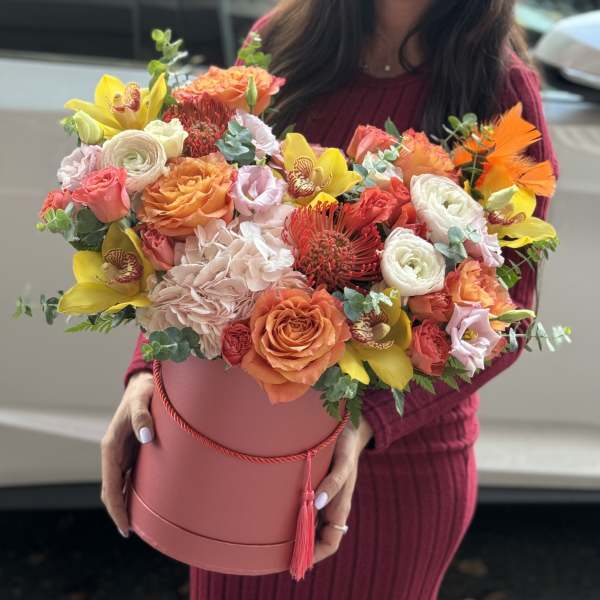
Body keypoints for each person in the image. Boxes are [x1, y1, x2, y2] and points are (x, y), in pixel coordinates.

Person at [101, 1, 558, 598]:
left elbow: (505, 315)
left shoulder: (498, 89)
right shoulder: (281, 39)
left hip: (395, 471)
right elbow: (187, 233)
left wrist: (365, 422)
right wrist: (147, 371)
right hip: (236, 444)